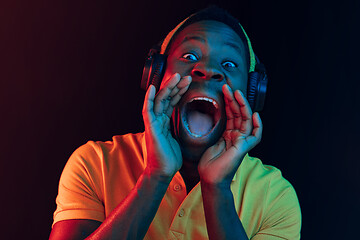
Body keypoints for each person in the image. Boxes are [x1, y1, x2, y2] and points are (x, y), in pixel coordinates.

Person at [49, 6, 301, 240]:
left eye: (228, 64)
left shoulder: (275, 195)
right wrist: (155, 175)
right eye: (190, 56)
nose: (207, 70)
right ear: (156, 76)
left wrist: (217, 188)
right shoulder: (94, 162)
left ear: (251, 93)